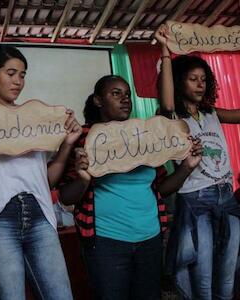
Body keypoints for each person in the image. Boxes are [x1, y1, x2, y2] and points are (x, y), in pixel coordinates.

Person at [0, 45, 81, 300]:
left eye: (22, 75)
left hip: (41, 216)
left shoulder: (36, 120)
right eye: (11, 73)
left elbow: (48, 180)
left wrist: (67, 145)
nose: (18, 81)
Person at [58, 75, 202, 300]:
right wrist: (84, 178)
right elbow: (66, 197)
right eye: (116, 94)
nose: (125, 99)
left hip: (150, 240)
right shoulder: (83, 138)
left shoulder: (145, 137)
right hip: (106, 243)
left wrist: (187, 168)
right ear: (98, 100)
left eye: (127, 94)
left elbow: (161, 189)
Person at [156, 25, 240, 300]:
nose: (200, 84)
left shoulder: (211, 112)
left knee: (228, 270)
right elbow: (167, 102)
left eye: (204, 79)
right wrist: (166, 53)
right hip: (196, 199)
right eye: (192, 78)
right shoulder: (173, 119)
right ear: (180, 81)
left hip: (226, 196)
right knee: (201, 276)